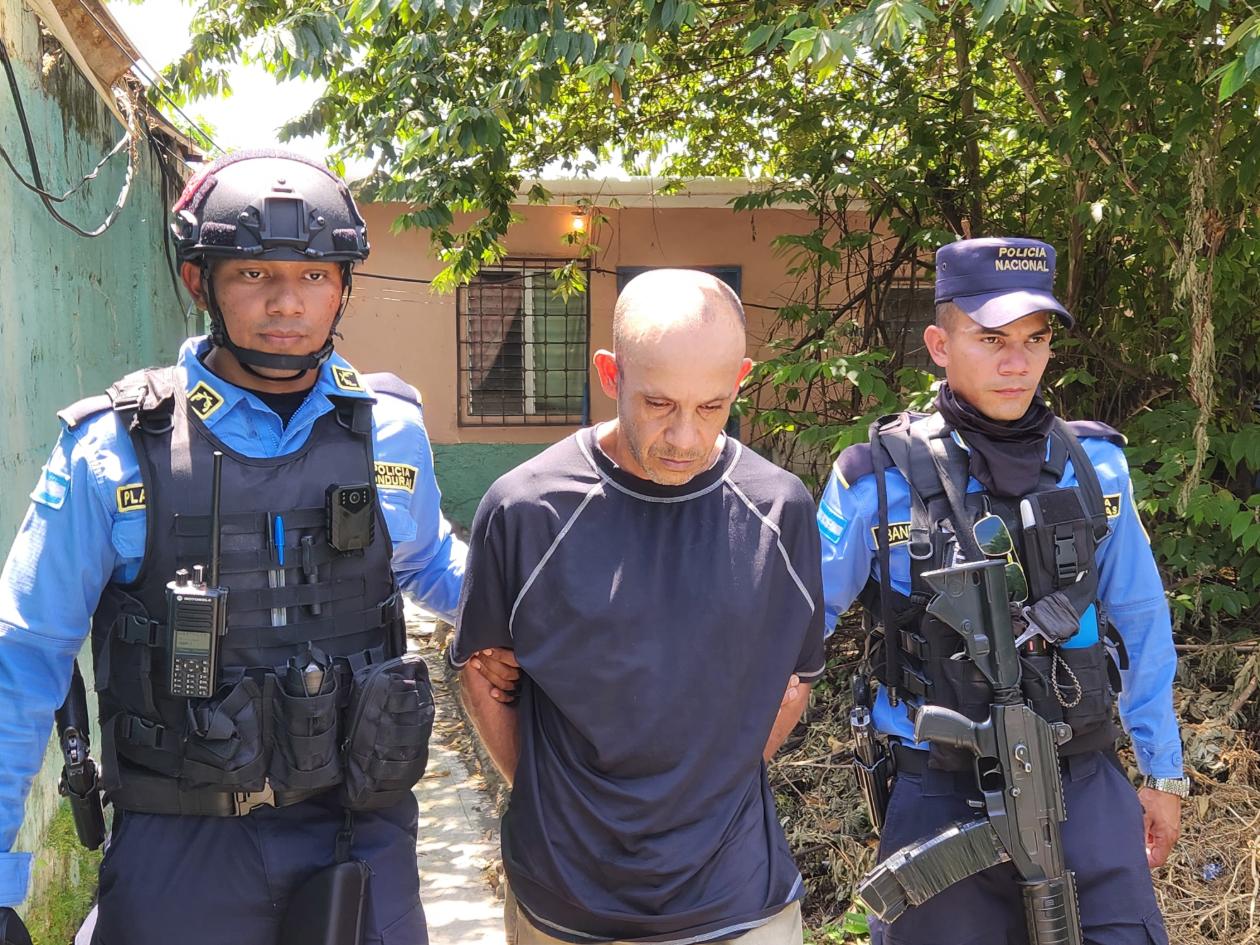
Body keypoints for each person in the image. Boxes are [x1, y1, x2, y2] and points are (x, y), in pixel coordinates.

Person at [0, 149, 468, 945]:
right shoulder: (113, 448)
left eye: (315, 275)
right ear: (199, 281)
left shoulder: (387, 430)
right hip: (184, 846)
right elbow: (26, 651)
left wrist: (546, 602)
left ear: (344, 286)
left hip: (358, 834)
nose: (288, 302)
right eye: (254, 273)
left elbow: (430, 565)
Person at [819, 237, 1186, 945]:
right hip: (939, 788)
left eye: (1035, 339)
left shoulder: (1094, 464)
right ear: (939, 344)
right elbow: (797, 629)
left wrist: (1162, 772)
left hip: (1082, 779)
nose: (1017, 363)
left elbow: (1141, 619)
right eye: (991, 339)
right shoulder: (875, 480)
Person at [451, 269, 826, 944]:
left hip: (739, 902)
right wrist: (556, 805)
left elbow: (791, 686)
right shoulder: (526, 509)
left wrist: (704, 793)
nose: (684, 437)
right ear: (610, 374)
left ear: (740, 380)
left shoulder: (779, 509)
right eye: (658, 403)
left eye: (711, 406)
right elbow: (483, 676)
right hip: (564, 903)